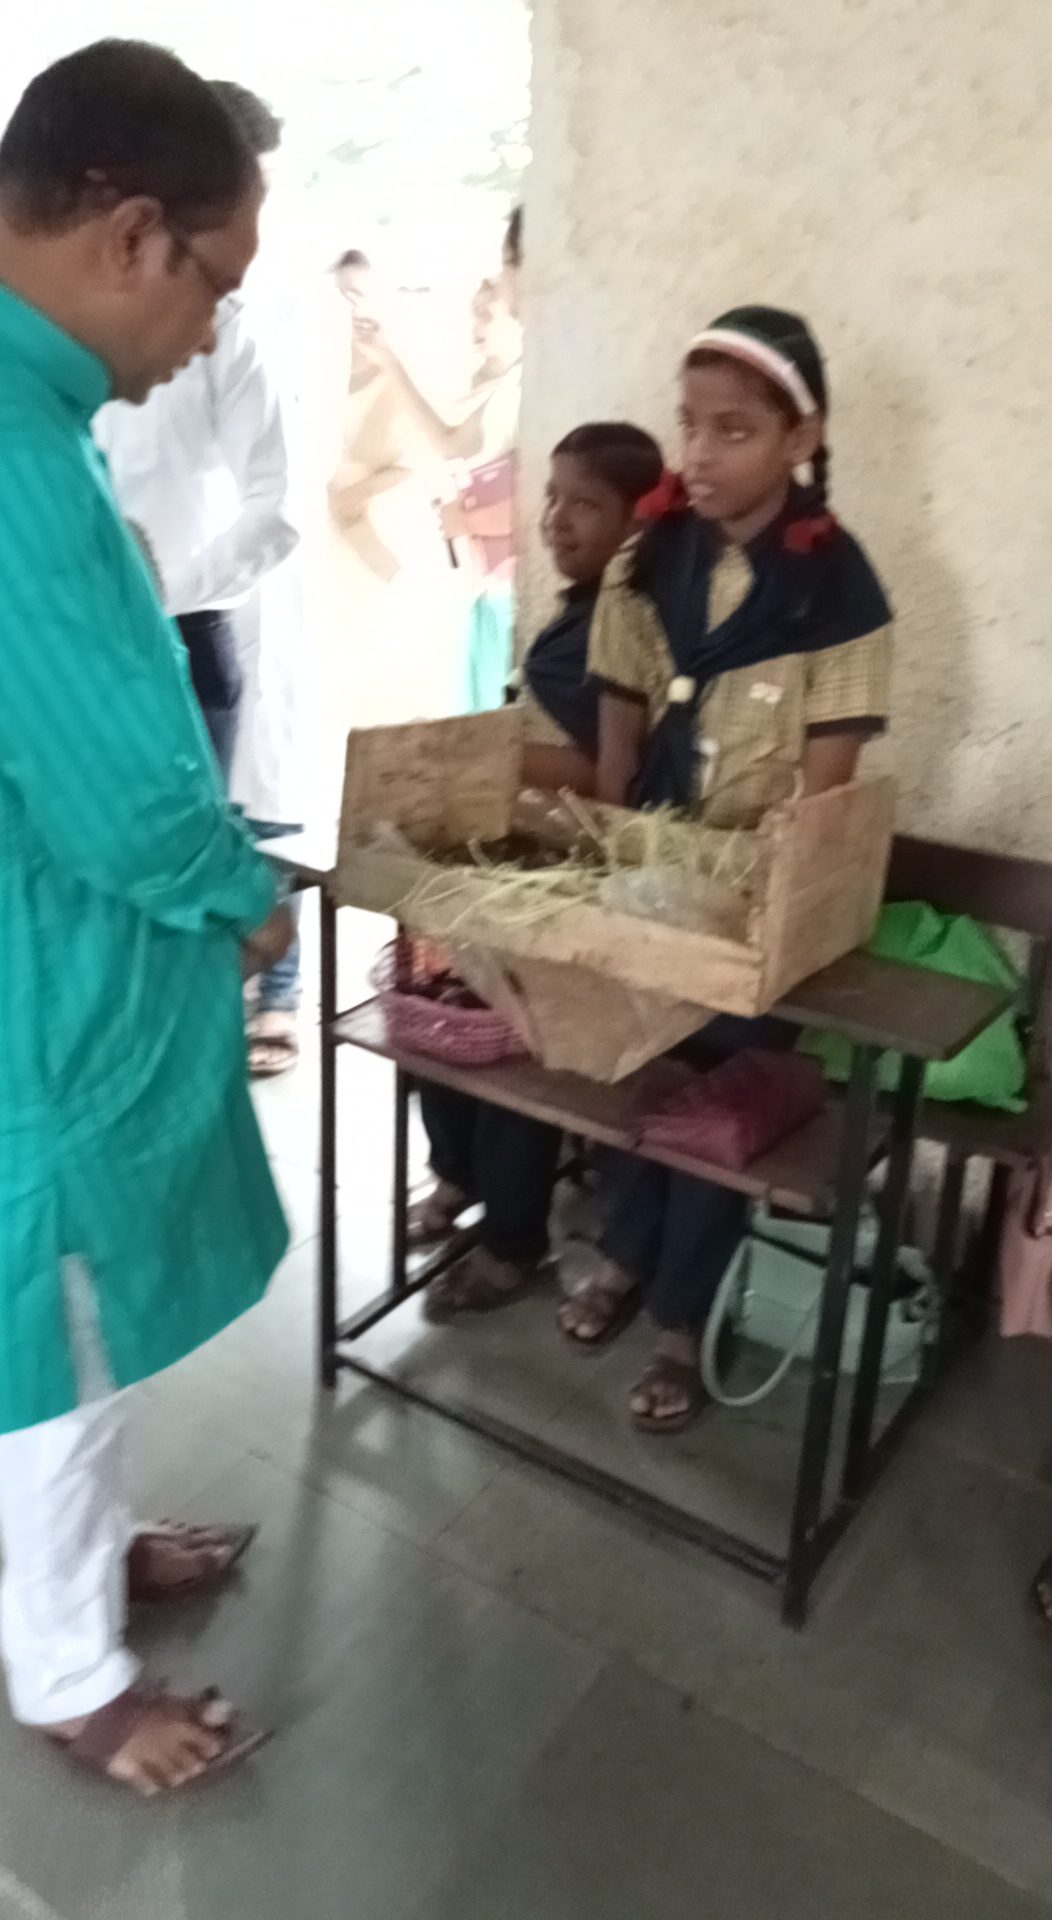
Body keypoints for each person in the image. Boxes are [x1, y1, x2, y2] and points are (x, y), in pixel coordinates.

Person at [0, 39, 293, 1796]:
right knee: (60, 1325)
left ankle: (81, 1561)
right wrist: (243, 898)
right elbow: (116, 793)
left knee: (57, 1318)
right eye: (214, 283)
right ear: (128, 234)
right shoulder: (18, 462)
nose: (206, 334)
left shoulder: (33, 423)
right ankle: (72, 1680)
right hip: (41, 995)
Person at [557, 307, 893, 1432]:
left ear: (803, 438)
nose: (697, 454)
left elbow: (828, 791)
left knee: (719, 1112)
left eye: (734, 430)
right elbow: (618, 741)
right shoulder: (648, 560)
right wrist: (605, 871)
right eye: (688, 424)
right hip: (645, 874)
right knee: (639, 1076)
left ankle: (679, 1324)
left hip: (758, 897)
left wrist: (766, 913)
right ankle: (623, 1256)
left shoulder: (840, 592)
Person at [411, 423, 665, 1317]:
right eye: (552, 496)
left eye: (585, 504)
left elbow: (608, 777)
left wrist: (487, 759)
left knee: (518, 1048)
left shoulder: (627, 624)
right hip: (514, 851)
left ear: (637, 522)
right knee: (438, 1008)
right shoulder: (575, 608)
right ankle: (456, 1175)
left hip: (570, 869)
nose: (556, 518)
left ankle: (512, 1239)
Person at [95, 81, 303, 1076]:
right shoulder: (62, 349)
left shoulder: (228, 334)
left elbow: (276, 508)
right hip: (86, 627)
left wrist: (161, 593)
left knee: (194, 863)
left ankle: (213, 1036)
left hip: (183, 627)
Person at [313, 245, 460, 787]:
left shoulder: (404, 376)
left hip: (387, 546)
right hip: (329, 550)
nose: (351, 310)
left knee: (391, 686)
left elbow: (431, 463)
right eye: (340, 297)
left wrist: (360, 492)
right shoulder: (313, 378)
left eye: (359, 296)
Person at [374, 208, 524, 711]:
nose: (476, 325)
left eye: (487, 314)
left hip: (507, 589)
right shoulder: (492, 388)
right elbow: (449, 441)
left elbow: (526, 503)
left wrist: (467, 519)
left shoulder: (520, 389)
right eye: (474, 313)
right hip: (485, 587)